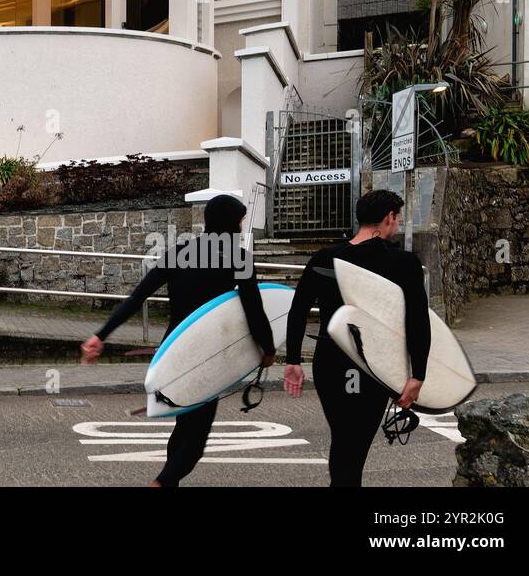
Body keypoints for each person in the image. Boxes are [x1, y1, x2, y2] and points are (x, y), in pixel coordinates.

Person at [81, 194, 275, 487]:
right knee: (194, 443)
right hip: (209, 356)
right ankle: (161, 484)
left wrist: (101, 335)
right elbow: (254, 311)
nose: (240, 226)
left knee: (185, 426)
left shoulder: (180, 252)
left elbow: (137, 297)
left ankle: (169, 483)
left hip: (174, 349)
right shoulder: (239, 258)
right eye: (239, 221)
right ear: (229, 223)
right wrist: (268, 349)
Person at [283, 188, 430, 487]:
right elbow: (417, 320)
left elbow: (297, 311)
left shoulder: (325, 257)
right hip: (373, 364)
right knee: (356, 444)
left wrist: (294, 360)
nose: (398, 224)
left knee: (343, 439)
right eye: (398, 218)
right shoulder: (403, 263)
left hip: (330, 362)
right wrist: (418, 374)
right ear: (389, 217)